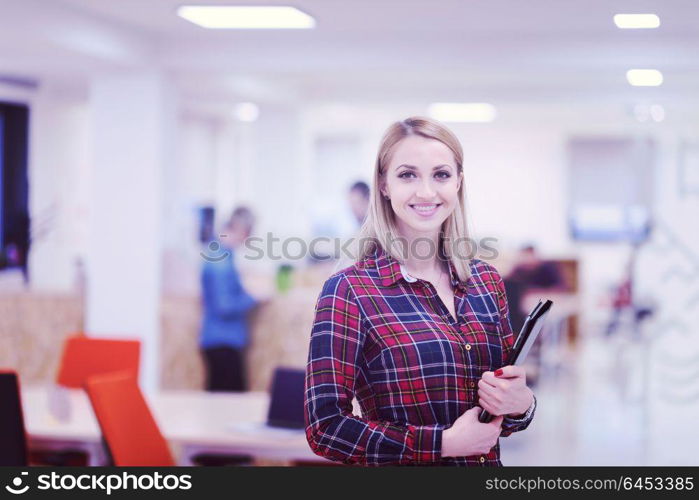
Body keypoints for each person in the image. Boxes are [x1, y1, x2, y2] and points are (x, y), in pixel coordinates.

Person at [304, 117, 536, 466]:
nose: (426, 192)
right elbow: (325, 429)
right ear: (383, 184)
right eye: (408, 175)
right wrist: (441, 443)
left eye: (441, 175)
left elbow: (500, 420)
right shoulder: (350, 291)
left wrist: (521, 404)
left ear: (458, 182)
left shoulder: (486, 282)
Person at [200, 206, 258, 392]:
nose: (246, 239)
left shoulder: (223, 256)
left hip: (223, 341)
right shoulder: (220, 262)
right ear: (239, 229)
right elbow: (224, 306)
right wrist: (253, 298)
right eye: (247, 233)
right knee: (228, 402)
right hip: (222, 342)